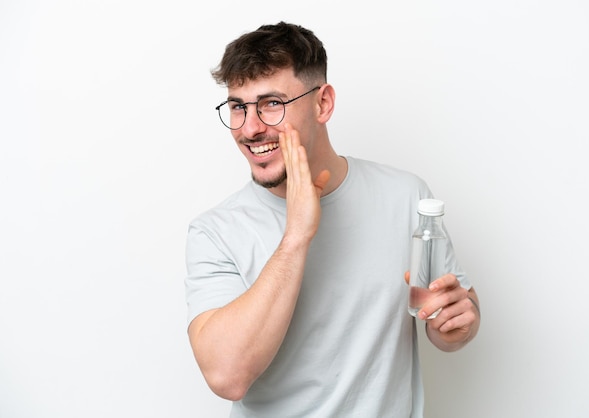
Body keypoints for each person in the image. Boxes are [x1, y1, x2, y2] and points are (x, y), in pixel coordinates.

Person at [185, 21, 481, 418]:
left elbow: (448, 311)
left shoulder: (407, 196)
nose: (250, 128)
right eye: (238, 106)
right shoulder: (215, 232)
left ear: (322, 103)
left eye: (271, 103)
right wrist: (296, 235)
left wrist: (457, 326)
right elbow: (226, 376)